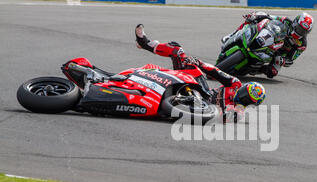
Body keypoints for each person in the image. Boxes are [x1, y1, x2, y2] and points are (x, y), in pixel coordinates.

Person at [77, 24, 266, 121]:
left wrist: (225, 113)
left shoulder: (240, 112)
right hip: (202, 88)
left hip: (201, 106)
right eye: (245, 94)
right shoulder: (234, 84)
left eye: (248, 100)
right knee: (178, 50)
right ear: (244, 88)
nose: (243, 98)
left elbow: (224, 118)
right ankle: (144, 43)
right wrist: (197, 63)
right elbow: (216, 72)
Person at [221, 11, 314, 78]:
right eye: (299, 28)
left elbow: (291, 59)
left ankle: (259, 69)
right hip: (271, 38)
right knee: (250, 20)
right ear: (295, 23)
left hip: (277, 53)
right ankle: (232, 35)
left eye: (303, 31)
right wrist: (257, 15)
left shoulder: (302, 44)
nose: (300, 32)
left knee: (272, 72)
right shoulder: (286, 21)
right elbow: (270, 17)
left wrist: (283, 60)